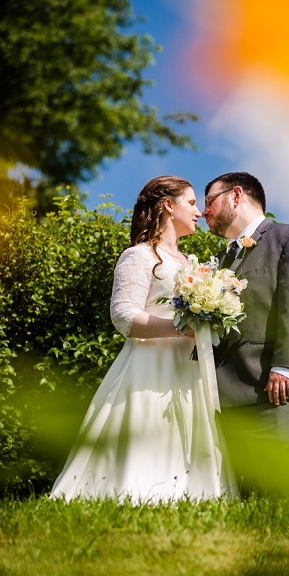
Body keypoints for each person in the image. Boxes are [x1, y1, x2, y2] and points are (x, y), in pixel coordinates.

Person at [50, 176, 237, 503]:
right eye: (192, 203)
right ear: (168, 204)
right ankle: (135, 493)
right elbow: (123, 315)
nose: (199, 212)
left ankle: (195, 498)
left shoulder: (189, 264)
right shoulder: (139, 255)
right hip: (150, 366)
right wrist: (180, 328)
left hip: (191, 368)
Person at [202, 172, 289, 489]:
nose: (203, 212)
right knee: (241, 500)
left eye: (208, 202)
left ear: (235, 195)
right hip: (227, 396)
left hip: (275, 392)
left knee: (275, 492)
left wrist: (285, 367)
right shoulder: (219, 259)